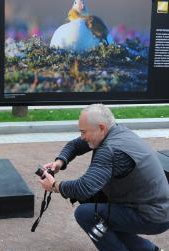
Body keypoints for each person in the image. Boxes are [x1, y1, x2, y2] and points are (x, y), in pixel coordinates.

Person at [39, 103, 169, 250]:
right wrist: (59, 162)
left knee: (86, 214)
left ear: (101, 127)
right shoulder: (116, 131)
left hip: (153, 216)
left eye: (84, 132)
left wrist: (55, 186)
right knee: (98, 211)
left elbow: (84, 187)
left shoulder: (109, 149)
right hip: (157, 207)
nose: (82, 137)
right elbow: (75, 145)